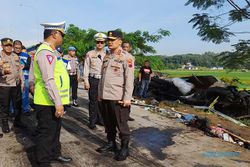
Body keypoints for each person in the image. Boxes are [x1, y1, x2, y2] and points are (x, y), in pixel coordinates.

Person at [31, 21, 72, 166]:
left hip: (53, 100)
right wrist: (58, 103)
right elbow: (49, 79)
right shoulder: (45, 52)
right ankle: (43, 161)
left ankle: (54, 153)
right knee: (46, 133)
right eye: (62, 34)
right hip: (47, 101)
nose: (63, 38)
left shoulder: (52, 52)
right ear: (54, 34)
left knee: (55, 131)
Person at [97, 30, 134, 161]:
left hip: (118, 98)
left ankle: (125, 149)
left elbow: (129, 79)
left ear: (120, 41)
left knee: (121, 125)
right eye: (109, 40)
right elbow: (103, 78)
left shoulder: (126, 57)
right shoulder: (107, 56)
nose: (110, 42)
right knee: (108, 124)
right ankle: (111, 143)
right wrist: (99, 94)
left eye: (113, 40)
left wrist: (127, 98)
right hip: (105, 96)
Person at [0, 38, 25, 133]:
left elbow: (20, 70)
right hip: (4, 85)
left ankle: (18, 122)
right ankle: (5, 124)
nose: (9, 47)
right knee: (4, 106)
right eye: (6, 45)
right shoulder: (0, 56)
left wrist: (22, 82)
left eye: (10, 45)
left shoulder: (15, 56)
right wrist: (3, 72)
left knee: (18, 105)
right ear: (2, 46)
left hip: (16, 84)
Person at [83, 32, 107, 129]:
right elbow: (86, 67)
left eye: (101, 42)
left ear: (104, 43)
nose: (99, 44)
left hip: (104, 81)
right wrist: (86, 81)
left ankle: (100, 120)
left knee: (102, 101)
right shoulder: (90, 53)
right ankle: (92, 121)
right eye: (98, 42)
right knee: (93, 101)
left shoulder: (107, 55)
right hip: (93, 79)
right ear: (95, 42)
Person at [13, 40, 31, 115]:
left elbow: (30, 65)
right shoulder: (10, 54)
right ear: (13, 47)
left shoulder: (26, 55)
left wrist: (24, 66)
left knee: (25, 94)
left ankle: (25, 109)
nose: (18, 49)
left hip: (25, 77)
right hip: (13, 78)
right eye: (16, 48)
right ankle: (12, 110)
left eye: (19, 48)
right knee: (13, 95)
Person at [122, 41, 135, 121]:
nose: (125, 48)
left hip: (128, 81)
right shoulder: (119, 56)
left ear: (130, 48)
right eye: (124, 47)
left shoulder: (130, 57)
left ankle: (127, 115)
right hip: (121, 82)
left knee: (128, 98)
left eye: (127, 47)